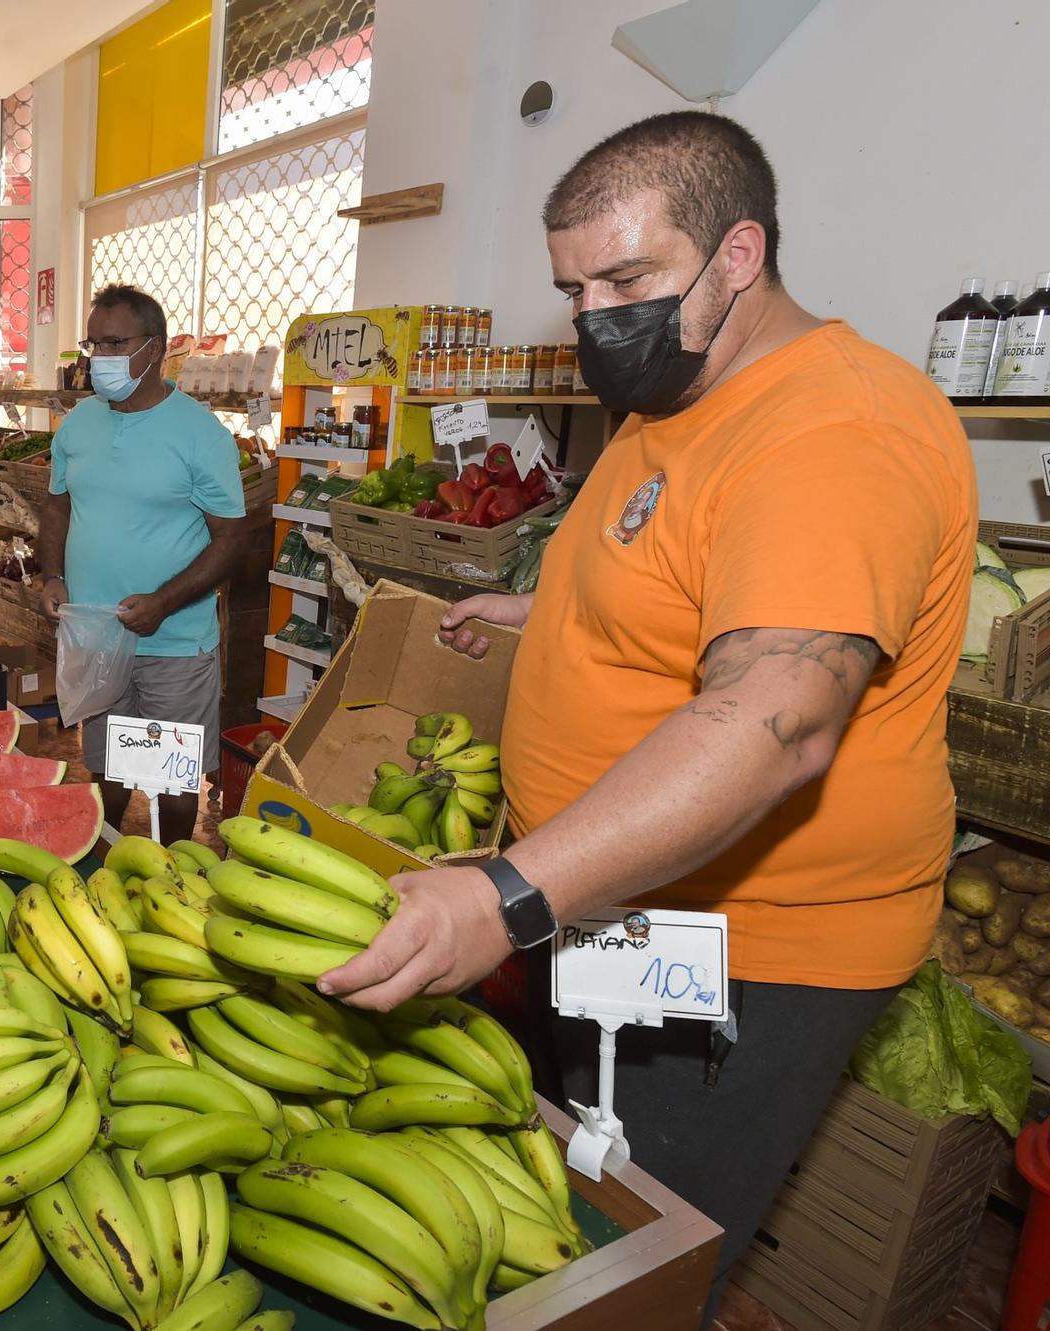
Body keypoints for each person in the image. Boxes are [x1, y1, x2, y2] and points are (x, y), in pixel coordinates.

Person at [316, 112, 975, 1310]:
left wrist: (508, 893)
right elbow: (675, 574)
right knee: (563, 1186)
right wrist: (554, 620)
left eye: (627, 277)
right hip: (613, 900)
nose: (593, 316)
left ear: (738, 253)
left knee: (624, 1259)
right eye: (573, 288)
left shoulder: (832, 429)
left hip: (743, 949)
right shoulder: (673, 395)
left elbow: (779, 714)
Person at [38, 285, 250, 845]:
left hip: (173, 643)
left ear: (153, 349)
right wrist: (52, 575)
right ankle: (104, 856)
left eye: (115, 343)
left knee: (174, 781)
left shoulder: (201, 435)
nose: (99, 357)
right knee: (107, 763)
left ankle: (175, 868)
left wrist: (164, 602)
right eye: (93, 343)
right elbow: (57, 504)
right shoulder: (79, 424)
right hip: (96, 636)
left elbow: (231, 539)